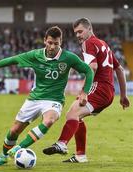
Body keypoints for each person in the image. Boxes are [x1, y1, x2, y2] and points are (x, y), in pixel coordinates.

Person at [0, 26, 94, 166]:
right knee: (14, 130)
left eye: (56, 44)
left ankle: (20, 148)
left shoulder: (68, 58)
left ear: (60, 42)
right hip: (34, 98)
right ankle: (3, 156)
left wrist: (84, 92)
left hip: (54, 100)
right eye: (50, 43)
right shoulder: (35, 55)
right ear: (45, 40)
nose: (52, 47)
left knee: (49, 120)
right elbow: (13, 59)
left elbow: (88, 71)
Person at [43, 18, 130, 163]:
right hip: (108, 92)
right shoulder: (104, 44)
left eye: (80, 31)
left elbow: (93, 67)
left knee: (72, 112)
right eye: (76, 33)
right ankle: (80, 155)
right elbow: (119, 69)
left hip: (99, 88)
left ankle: (62, 144)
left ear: (89, 29)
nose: (78, 35)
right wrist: (123, 96)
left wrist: (84, 90)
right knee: (78, 117)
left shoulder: (88, 43)